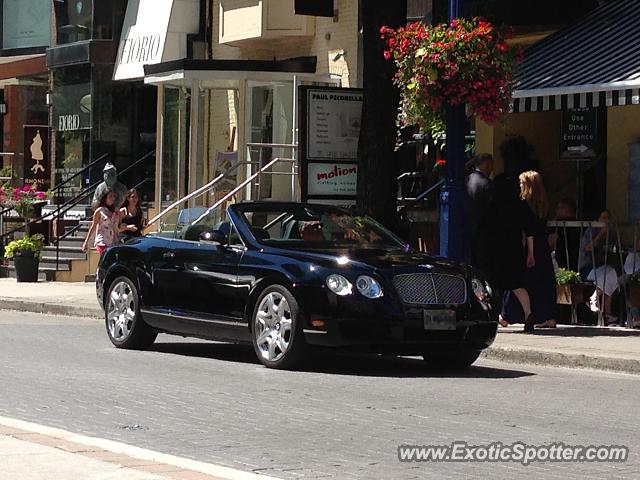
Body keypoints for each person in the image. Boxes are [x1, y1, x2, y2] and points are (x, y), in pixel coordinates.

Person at [478, 173, 536, 333]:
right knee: (517, 285)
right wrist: (531, 253)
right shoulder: (519, 204)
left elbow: (482, 227)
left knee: (493, 286)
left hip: (494, 249)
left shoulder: (491, 204)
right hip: (514, 249)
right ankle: (528, 314)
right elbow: (530, 228)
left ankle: (493, 317)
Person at [503, 171, 557, 329]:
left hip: (530, 247)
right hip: (543, 246)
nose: (519, 186)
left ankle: (509, 315)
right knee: (544, 281)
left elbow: (529, 231)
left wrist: (530, 253)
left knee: (518, 280)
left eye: (521, 183)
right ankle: (549, 316)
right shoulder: (543, 203)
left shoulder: (524, 204)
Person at [578, 209, 619, 324]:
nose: (605, 221)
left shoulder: (611, 233)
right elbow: (587, 248)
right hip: (587, 268)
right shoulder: (591, 231)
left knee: (612, 274)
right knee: (609, 273)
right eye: (603, 218)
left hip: (602, 267)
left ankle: (599, 304)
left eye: (607, 218)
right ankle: (603, 308)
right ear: (598, 220)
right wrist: (601, 234)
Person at [466, 153, 494, 264]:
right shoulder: (488, 184)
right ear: (487, 165)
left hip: (467, 227)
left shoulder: (465, 180)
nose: (492, 169)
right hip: (483, 230)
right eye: (491, 166)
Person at [82, 188, 118, 255]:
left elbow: (115, 229)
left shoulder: (114, 213)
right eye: (110, 196)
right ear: (105, 198)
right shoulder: (100, 211)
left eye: (113, 196)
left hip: (111, 243)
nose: (113, 198)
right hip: (101, 242)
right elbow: (93, 226)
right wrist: (86, 242)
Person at [549, 198, 580, 271]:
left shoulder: (557, 224)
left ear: (565, 209)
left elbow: (550, 242)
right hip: (577, 262)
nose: (556, 211)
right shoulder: (579, 224)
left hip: (560, 260)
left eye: (559, 208)